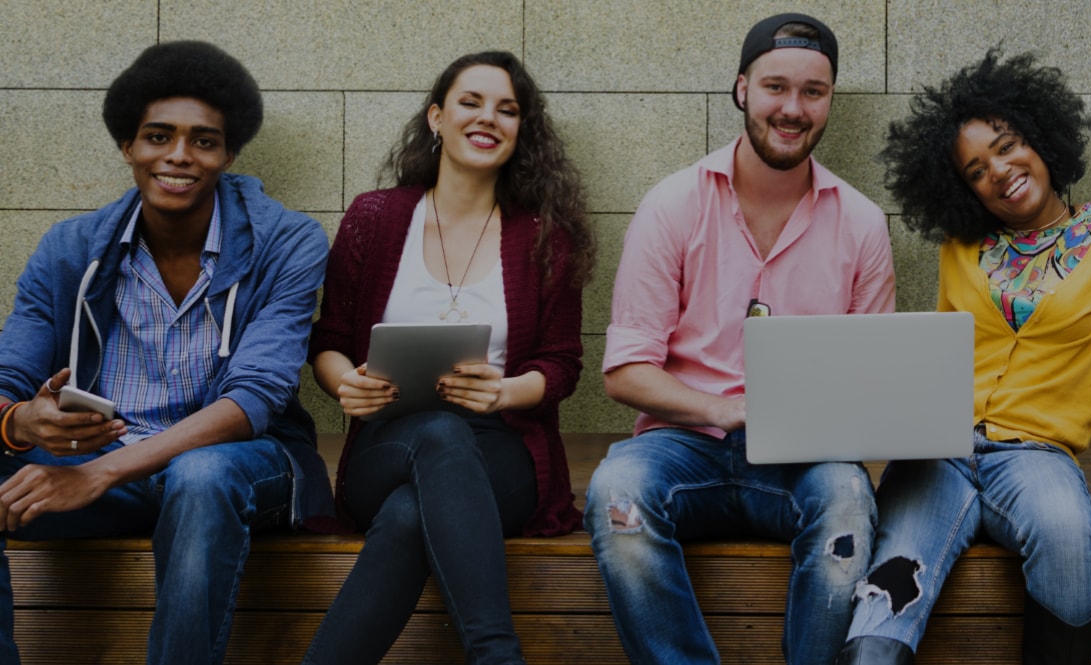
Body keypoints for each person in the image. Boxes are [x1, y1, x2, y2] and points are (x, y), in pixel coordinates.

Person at [0, 41, 332, 663]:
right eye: (158, 136)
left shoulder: (288, 242)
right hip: (105, 468)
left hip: (236, 466)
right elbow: (9, 376)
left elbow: (257, 397)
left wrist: (97, 473)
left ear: (229, 154)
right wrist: (21, 423)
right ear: (128, 145)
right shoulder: (71, 248)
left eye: (204, 140)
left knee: (198, 475)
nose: (179, 155)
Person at [587, 13, 893, 665]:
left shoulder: (863, 224)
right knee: (616, 491)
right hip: (682, 445)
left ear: (830, 101)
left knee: (847, 499)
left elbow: (873, 384)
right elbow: (625, 373)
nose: (792, 107)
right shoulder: (672, 205)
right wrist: (725, 409)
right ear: (741, 90)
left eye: (813, 92)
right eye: (775, 87)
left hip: (806, 457)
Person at [835, 50, 1091, 665]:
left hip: (1038, 456)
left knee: (1065, 533)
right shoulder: (961, 246)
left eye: (1007, 145)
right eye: (976, 170)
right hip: (940, 454)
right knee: (889, 590)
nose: (999, 171)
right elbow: (940, 360)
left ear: (1041, 138)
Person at [300, 51, 591, 665]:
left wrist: (508, 392)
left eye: (507, 110)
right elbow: (327, 341)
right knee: (434, 432)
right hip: (386, 443)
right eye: (471, 102)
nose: (489, 118)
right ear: (437, 117)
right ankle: (496, 654)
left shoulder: (545, 235)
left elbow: (562, 363)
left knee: (411, 514)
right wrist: (345, 383)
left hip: (502, 449)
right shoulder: (375, 219)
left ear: (521, 131)